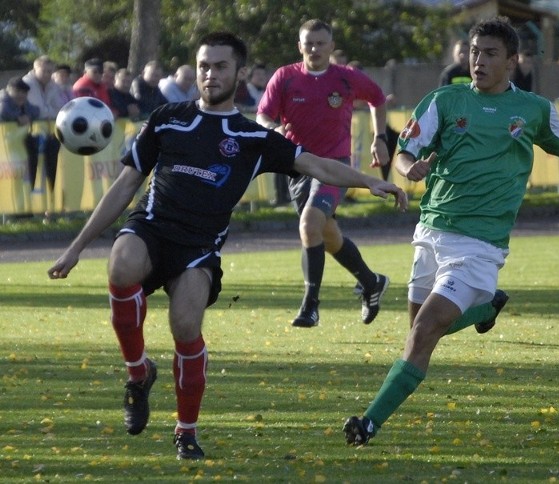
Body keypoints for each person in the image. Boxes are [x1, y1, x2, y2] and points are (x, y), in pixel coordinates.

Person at [47, 31, 407, 461]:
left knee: (185, 327)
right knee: (121, 265)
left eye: (220, 66)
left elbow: (314, 163)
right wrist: (76, 248)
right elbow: (125, 185)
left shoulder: (253, 139)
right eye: (203, 65)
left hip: (198, 249)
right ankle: (138, 374)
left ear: (238, 73)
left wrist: (369, 180)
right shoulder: (166, 118)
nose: (209, 74)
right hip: (151, 228)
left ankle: (186, 432)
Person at [343, 16, 559, 447]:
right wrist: (413, 169)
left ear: (512, 61)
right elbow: (404, 156)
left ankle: (367, 423)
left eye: (489, 54)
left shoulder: (535, 109)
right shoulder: (443, 101)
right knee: (417, 335)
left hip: (480, 245)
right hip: (430, 232)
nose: (478, 61)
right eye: (473, 51)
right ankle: (485, 310)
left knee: (425, 330)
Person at [257, 19, 391, 328]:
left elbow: (378, 99)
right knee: (326, 234)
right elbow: (263, 114)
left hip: (335, 166)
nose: (315, 48)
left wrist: (379, 137)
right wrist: (271, 128)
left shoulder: (346, 78)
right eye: (309, 43)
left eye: (321, 43)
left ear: (331, 46)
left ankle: (310, 306)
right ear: (299, 46)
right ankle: (371, 282)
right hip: (298, 166)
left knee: (309, 224)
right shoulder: (285, 77)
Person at [22, 55, 64, 191]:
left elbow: (60, 110)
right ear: (35, 69)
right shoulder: (26, 85)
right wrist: (48, 111)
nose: (47, 74)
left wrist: (46, 111)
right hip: (28, 134)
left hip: (49, 134)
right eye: (44, 70)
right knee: (30, 168)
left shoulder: (54, 86)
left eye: (50, 71)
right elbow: (36, 110)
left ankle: (49, 203)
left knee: (50, 168)